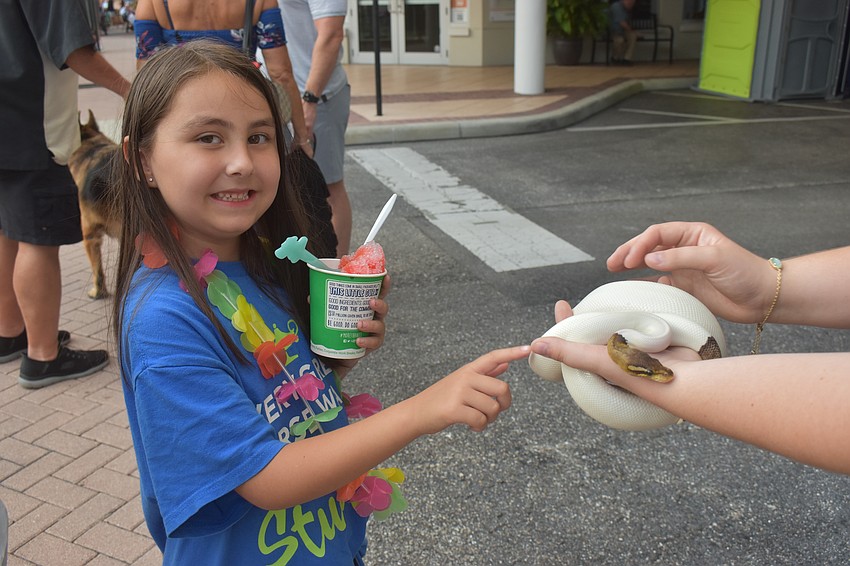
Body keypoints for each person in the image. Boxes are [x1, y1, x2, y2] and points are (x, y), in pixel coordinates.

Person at [113, 40, 529, 564]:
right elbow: (266, 475)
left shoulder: (264, 266)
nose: (242, 161)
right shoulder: (163, 321)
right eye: (208, 138)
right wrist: (425, 409)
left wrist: (339, 356)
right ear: (142, 159)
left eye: (259, 137)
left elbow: (285, 397)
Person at [530, 221, 850, 476]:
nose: (663, 376)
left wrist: (691, 383)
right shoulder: (652, 334)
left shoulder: (648, 339)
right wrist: (766, 285)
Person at [0, 0, 129, 388]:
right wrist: (130, 89)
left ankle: (10, 333)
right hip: (31, 123)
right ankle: (42, 356)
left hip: (7, 117)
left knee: (8, 229)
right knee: (37, 239)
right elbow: (73, 49)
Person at [133, 0, 313, 158]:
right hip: (241, 109)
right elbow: (281, 72)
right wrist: (301, 136)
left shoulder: (152, 3)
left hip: (182, 112)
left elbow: (147, 76)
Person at [278, 0, 353, 257]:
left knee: (328, 187)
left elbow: (332, 34)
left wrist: (309, 100)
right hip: (275, 93)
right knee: (281, 187)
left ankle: (337, 274)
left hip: (315, 96)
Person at [609, 0, 637, 66]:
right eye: (630, 2)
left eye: (633, 3)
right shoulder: (616, 7)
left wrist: (634, 32)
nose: (631, 5)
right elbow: (622, 23)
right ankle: (615, 58)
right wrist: (632, 30)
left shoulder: (628, 9)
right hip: (613, 31)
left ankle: (627, 59)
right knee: (620, 40)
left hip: (623, 31)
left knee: (633, 36)